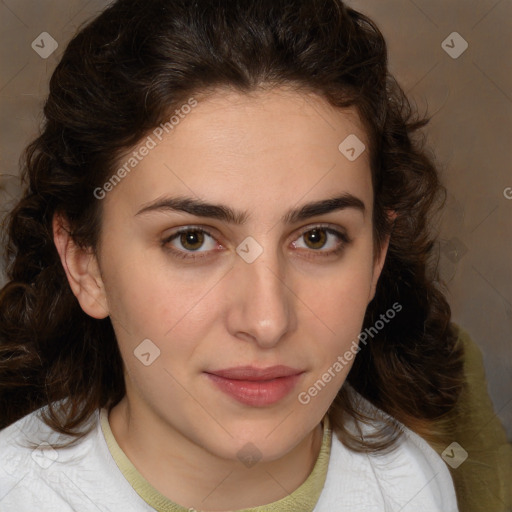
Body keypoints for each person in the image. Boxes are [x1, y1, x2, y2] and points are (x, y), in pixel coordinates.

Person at [1, 0, 506, 510]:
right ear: (86, 265)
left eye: (317, 238)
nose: (267, 321)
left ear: (377, 255)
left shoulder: (413, 484)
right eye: (192, 240)